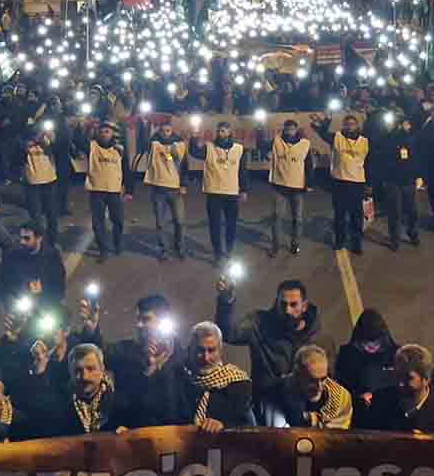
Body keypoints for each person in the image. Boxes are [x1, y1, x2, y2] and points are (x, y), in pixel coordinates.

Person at [216, 276, 333, 426]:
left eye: (293, 305)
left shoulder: (320, 339)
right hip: (269, 403)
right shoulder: (259, 324)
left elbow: (329, 379)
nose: (287, 310)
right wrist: (226, 302)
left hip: (304, 408)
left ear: (304, 306)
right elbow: (228, 333)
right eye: (283, 304)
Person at [134, 322, 252, 431]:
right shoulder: (174, 378)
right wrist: (152, 369)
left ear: (220, 351)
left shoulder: (238, 383)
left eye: (211, 350)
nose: (205, 358)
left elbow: (245, 426)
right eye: (200, 350)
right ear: (190, 350)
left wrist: (224, 426)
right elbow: (150, 415)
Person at [356, 343, 434, 433]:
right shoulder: (380, 401)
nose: (400, 384)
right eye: (398, 376)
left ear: (426, 379)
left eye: (408, 378)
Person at [190, 119, 247, 262]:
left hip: (232, 193)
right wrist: (194, 136)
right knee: (214, 225)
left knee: (231, 224)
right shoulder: (209, 147)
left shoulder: (239, 149)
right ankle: (217, 252)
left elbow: (242, 171)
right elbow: (194, 152)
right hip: (214, 193)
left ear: (229, 132)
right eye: (218, 131)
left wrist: (244, 189)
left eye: (223, 130)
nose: (220, 133)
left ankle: (229, 249)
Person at [313, 112, 370, 253]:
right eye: (347, 124)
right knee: (340, 214)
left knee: (357, 215)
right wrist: (326, 120)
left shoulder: (365, 141)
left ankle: (356, 243)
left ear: (357, 126)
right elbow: (322, 132)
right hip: (340, 181)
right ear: (343, 126)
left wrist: (370, 183)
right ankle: (340, 241)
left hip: (357, 182)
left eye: (352, 124)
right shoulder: (337, 137)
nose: (350, 127)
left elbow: (369, 163)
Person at [80, 121, 131, 262]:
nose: (104, 134)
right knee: (98, 223)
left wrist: (129, 190)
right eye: (101, 132)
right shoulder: (92, 146)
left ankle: (117, 244)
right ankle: (103, 250)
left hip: (114, 191)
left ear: (112, 133)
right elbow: (78, 141)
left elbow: (126, 169)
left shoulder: (119, 148)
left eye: (107, 131)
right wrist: (85, 127)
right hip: (96, 191)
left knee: (118, 221)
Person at [371, 111, 422, 250]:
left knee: (412, 211)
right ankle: (395, 239)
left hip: (408, 180)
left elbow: (416, 158)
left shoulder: (411, 138)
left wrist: (418, 176)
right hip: (391, 180)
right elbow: (380, 157)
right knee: (395, 212)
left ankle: (413, 233)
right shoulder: (386, 138)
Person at [138, 116, 188, 260]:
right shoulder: (153, 143)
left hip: (175, 189)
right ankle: (163, 249)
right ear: (159, 131)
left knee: (179, 221)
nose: (166, 133)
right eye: (163, 130)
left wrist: (183, 184)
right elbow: (143, 143)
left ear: (172, 130)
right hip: (158, 188)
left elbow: (185, 166)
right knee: (160, 223)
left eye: (168, 130)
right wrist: (143, 124)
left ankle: (179, 246)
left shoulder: (179, 144)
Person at [335, 308, 398, 417]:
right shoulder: (347, 355)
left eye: (376, 343)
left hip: (389, 411)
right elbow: (340, 387)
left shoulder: (395, 354)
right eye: (366, 343)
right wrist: (357, 398)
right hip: (357, 411)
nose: (372, 347)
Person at [274, 345, 352, 429]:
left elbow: (338, 435)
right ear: (297, 375)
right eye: (312, 380)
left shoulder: (342, 398)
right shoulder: (278, 392)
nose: (319, 387)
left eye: (323, 379)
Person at [266, 118, 313, 256]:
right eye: (287, 129)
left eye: (292, 129)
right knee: (276, 217)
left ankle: (295, 243)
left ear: (296, 130)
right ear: (284, 130)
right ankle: (275, 246)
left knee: (297, 219)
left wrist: (309, 183)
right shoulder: (276, 141)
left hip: (297, 187)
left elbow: (309, 165)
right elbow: (262, 145)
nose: (289, 132)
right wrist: (259, 129)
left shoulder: (305, 144)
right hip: (279, 186)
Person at [0, 223, 66, 311]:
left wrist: (44, 286)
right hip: (23, 304)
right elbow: (7, 279)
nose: (22, 242)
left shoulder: (51, 255)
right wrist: (27, 285)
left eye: (27, 238)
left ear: (39, 238)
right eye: (21, 237)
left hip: (47, 302)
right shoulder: (12, 255)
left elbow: (59, 277)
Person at [23, 128, 60, 245]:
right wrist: (32, 142)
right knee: (36, 216)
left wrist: (49, 141)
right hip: (32, 183)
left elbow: (59, 151)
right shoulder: (23, 141)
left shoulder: (47, 140)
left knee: (52, 214)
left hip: (49, 181)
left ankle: (53, 241)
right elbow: (18, 153)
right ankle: (38, 242)